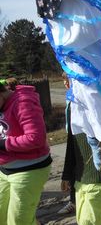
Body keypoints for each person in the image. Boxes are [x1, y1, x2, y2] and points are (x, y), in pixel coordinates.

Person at [60, 75, 101, 225]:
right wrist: (67, 174)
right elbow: (72, 143)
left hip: (99, 173)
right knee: (83, 219)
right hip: (81, 176)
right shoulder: (72, 107)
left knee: (89, 220)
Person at [0, 82, 52, 225]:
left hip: (29, 168)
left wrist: (4, 144)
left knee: (18, 221)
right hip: (4, 169)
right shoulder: (2, 103)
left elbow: (36, 138)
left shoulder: (22, 102)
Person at [58, 73, 76, 215]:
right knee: (74, 171)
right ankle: (73, 201)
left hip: (80, 137)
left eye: (67, 80)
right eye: (64, 81)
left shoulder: (79, 98)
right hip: (72, 136)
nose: (65, 83)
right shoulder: (69, 98)